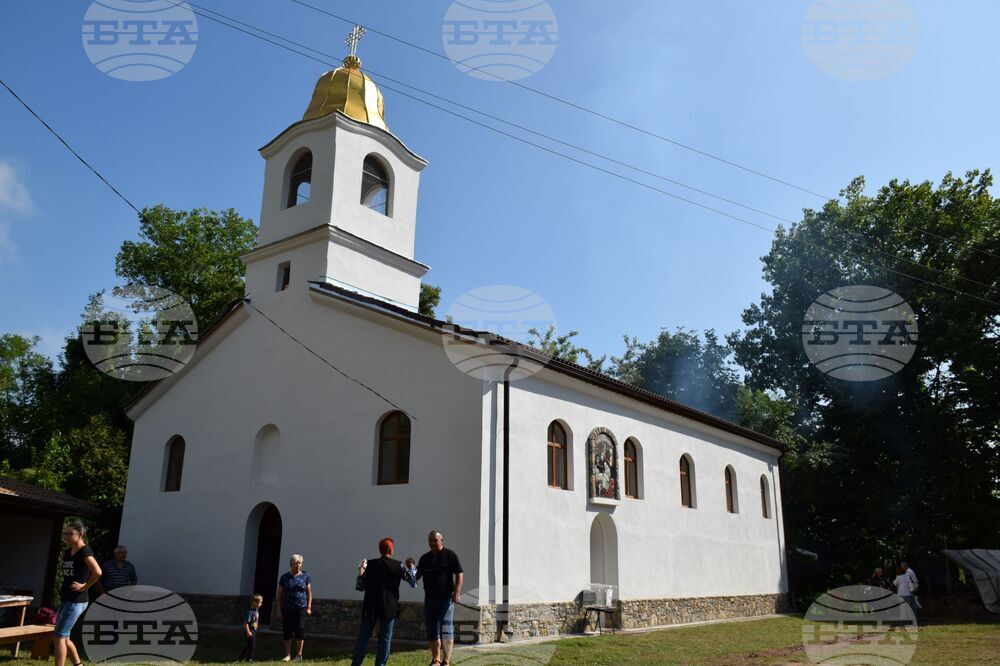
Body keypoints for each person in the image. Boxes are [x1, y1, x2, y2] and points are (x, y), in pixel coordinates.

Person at [351, 538, 417, 666]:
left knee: (363, 637)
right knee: (385, 639)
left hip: (370, 606)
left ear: (380, 550)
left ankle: (356, 664)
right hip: (389, 606)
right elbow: (413, 582)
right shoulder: (397, 565)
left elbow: (360, 586)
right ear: (391, 550)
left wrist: (360, 571)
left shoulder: (371, 564)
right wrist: (412, 567)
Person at [54, 521, 102, 666]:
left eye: (70, 534)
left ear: (81, 534)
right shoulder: (69, 551)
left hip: (76, 600)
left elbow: (97, 572)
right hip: (66, 598)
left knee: (59, 637)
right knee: (64, 637)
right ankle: (78, 664)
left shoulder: (84, 551)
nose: (67, 537)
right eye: (66, 534)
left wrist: (84, 586)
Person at [415, 531, 463, 666]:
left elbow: (459, 573)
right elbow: (416, 576)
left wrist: (457, 592)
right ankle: (436, 659)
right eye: (429, 540)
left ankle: (446, 660)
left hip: (445, 600)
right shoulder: (425, 558)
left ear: (441, 540)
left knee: (447, 630)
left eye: (434, 540)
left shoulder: (450, 555)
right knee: (432, 630)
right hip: (429, 600)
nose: (431, 543)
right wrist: (410, 569)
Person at [275, 554, 312, 661]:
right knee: (287, 631)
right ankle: (287, 655)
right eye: (295, 563)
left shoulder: (306, 576)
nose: (298, 565)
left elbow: (309, 593)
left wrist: (309, 607)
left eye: (299, 563)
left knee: (300, 629)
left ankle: (299, 655)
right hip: (286, 608)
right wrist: (278, 609)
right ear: (291, 564)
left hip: (301, 607)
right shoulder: (284, 577)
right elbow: (279, 595)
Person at [238, 594, 263, 662]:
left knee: (249, 645)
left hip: (253, 631)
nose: (261, 604)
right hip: (249, 631)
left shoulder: (256, 610)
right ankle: (248, 659)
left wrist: (256, 626)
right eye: (260, 603)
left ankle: (241, 656)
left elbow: (257, 619)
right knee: (252, 646)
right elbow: (246, 623)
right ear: (254, 603)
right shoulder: (250, 612)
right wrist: (248, 632)